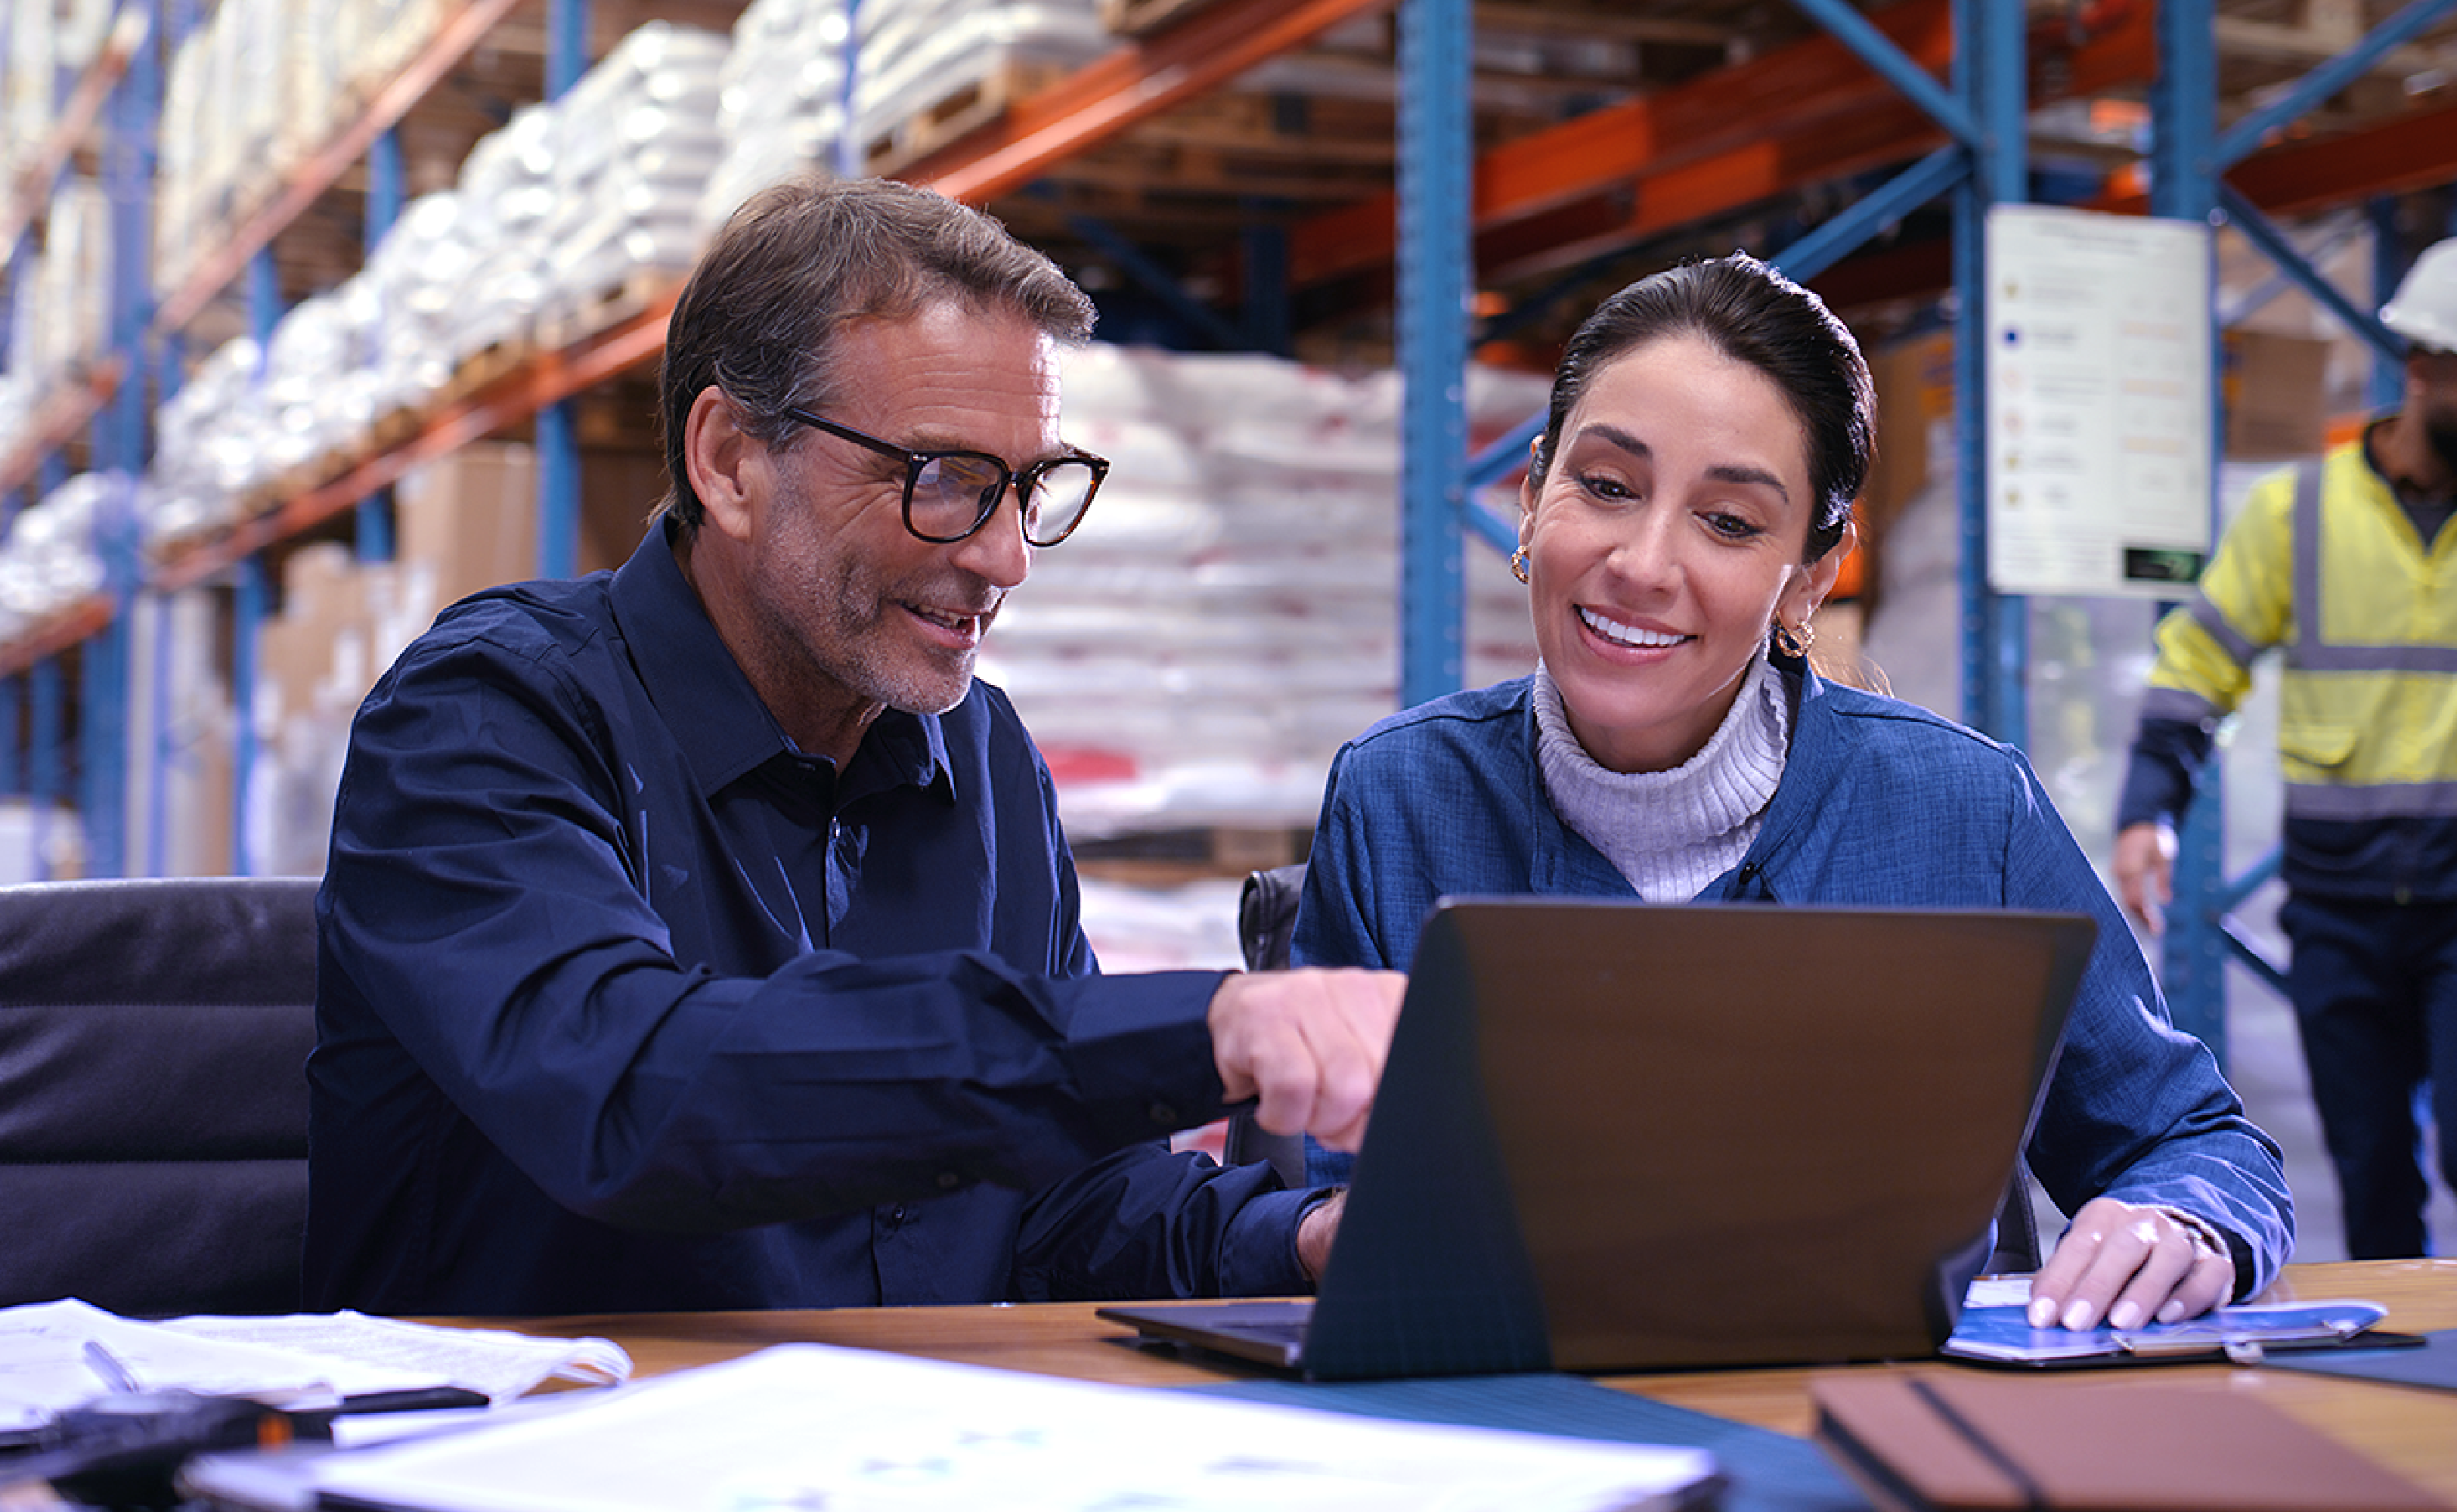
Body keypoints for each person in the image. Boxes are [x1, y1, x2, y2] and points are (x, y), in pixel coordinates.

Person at [305, 175, 1404, 1315]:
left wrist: (1312, 1238)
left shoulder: (976, 753)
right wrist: (1199, 1027)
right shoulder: (489, 715)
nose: (1005, 560)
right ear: (730, 459)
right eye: (944, 481)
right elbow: (636, 1086)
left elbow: (1063, 1209)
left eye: (1028, 489)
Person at [1294, 253, 2292, 1333]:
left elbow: (2191, 1143)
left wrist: (2178, 1221)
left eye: (1728, 522)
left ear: (1809, 577)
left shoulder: (1961, 813)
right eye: (1607, 486)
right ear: (1534, 500)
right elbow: (1308, 1195)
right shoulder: (1399, 799)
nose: (1641, 562)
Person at [2115, 240, 2457, 1261]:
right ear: (2427, 366)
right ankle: (2412, 1386)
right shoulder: (2294, 514)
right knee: (2370, 1165)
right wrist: (2147, 811)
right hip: (2340, 908)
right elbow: (2196, 665)